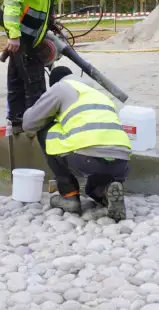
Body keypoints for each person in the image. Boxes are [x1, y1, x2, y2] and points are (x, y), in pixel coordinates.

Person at [21, 66, 131, 221]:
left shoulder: (60, 88)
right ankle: (106, 192)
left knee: (45, 128)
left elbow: (29, 123)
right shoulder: (99, 94)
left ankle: (69, 196)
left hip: (86, 158)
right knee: (92, 188)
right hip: (121, 162)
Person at [0, 0, 66, 133]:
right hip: (22, 32)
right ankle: (38, 128)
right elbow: (12, 1)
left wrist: (50, 20)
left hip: (32, 32)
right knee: (34, 80)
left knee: (17, 76)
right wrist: (13, 35)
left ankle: (18, 121)